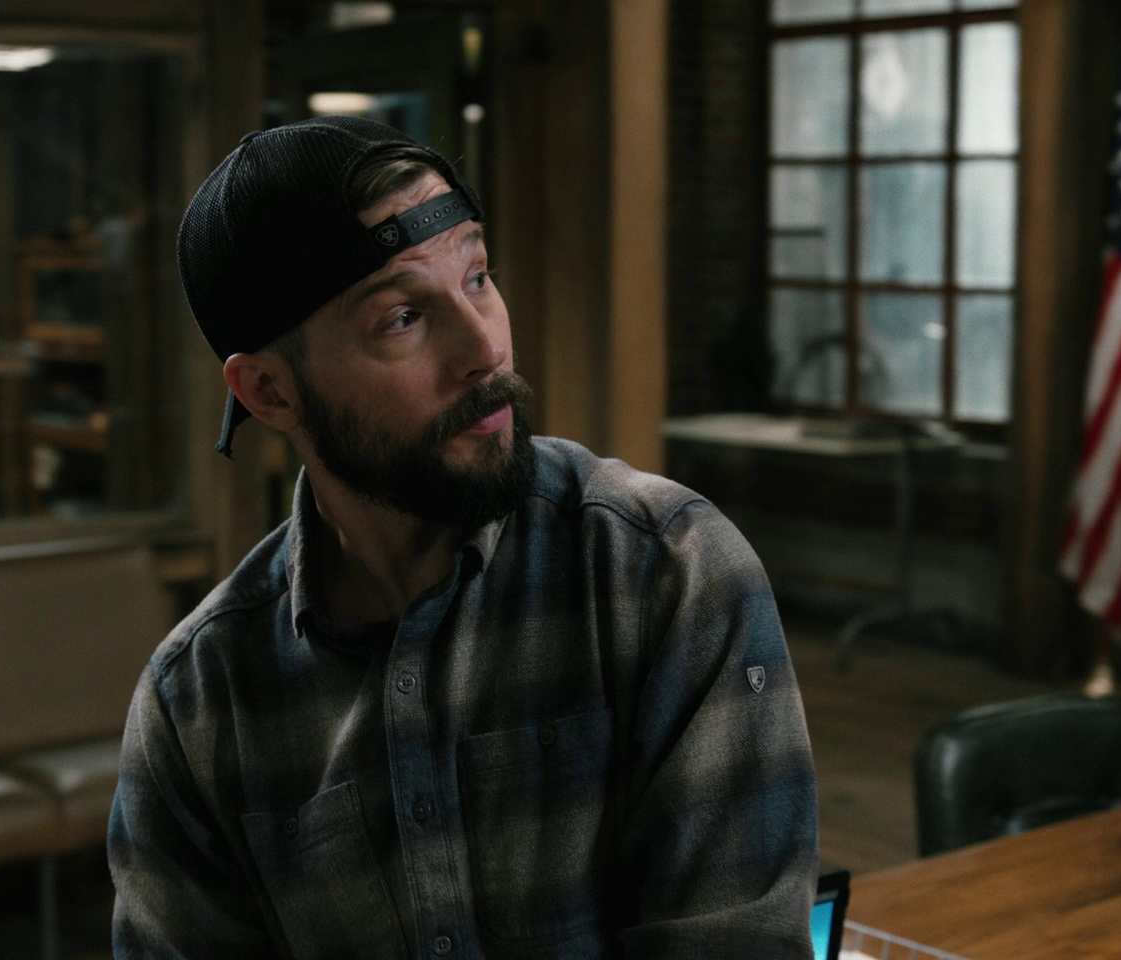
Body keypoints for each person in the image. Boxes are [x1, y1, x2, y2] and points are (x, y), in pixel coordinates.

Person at [108, 116, 819, 959]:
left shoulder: (663, 574)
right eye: (403, 317)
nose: (484, 348)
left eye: (478, 277)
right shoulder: (201, 702)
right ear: (268, 392)